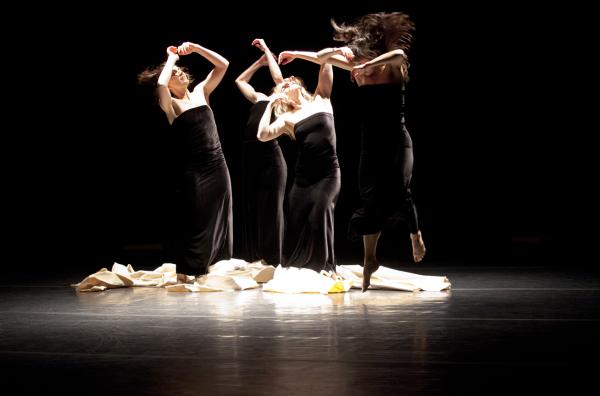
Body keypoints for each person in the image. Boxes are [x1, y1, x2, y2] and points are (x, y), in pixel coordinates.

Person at [278, 12, 426, 291]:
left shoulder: (391, 66)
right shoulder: (358, 67)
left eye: (363, 60)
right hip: (371, 143)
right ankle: (370, 259)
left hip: (397, 139)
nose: (361, 69)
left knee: (398, 187)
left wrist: (368, 62)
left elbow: (397, 55)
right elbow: (323, 56)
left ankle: (414, 233)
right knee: (370, 197)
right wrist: (296, 54)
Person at [137, 42, 232, 276]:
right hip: (197, 171)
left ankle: (212, 266)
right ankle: (191, 269)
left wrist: (198, 48)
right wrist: (171, 58)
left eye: (180, 71)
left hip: (218, 165)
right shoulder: (170, 105)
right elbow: (160, 83)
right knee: (198, 219)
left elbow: (223, 65)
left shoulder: (201, 92)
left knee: (220, 216)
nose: (179, 73)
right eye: (174, 74)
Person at [257, 54, 340, 274]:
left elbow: (327, 58)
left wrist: (295, 53)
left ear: (299, 85)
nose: (287, 81)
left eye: (290, 80)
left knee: (320, 214)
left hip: (328, 175)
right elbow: (262, 135)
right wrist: (269, 106)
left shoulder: (321, 98)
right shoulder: (287, 119)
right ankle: (299, 265)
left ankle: (324, 266)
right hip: (303, 179)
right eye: (282, 85)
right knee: (296, 219)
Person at [234, 39, 287, 265]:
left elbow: (278, 80)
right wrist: (259, 62)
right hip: (250, 156)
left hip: (270, 157)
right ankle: (257, 256)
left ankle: (273, 257)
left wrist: (266, 49)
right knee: (253, 206)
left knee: (271, 208)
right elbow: (240, 80)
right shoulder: (260, 98)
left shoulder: (280, 101)